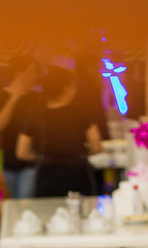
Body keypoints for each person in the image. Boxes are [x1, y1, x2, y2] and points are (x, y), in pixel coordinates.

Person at [17, 66, 103, 197]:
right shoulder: (81, 112)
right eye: (73, 86)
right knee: (80, 212)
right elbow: (97, 146)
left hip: (47, 175)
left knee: (48, 213)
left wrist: (43, 157)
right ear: (66, 88)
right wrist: (81, 154)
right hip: (78, 172)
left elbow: (22, 152)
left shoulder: (35, 115)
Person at [0, 54, 42, 200]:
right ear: (20, 72)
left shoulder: (37, 98)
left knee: (25, 203)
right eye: (33, 71)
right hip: (8, 162)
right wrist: (14, 99)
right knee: (11, 206)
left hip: (30, 162)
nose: (36, 75)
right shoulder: (0, 97)